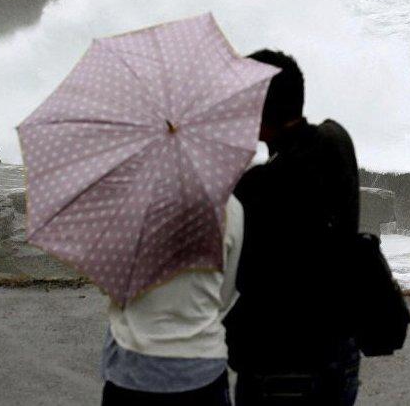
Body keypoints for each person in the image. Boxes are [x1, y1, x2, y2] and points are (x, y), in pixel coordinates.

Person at [226, 49, 361, 406]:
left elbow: (240, 278)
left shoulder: (257, 187)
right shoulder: (336, 141)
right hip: (340, 353)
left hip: (280, 366)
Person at [100, 194, 244, 406]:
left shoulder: (126, 203)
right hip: (202, 365)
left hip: (132, 365)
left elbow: (109, 282)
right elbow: (224, 295)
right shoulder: (229, 206)